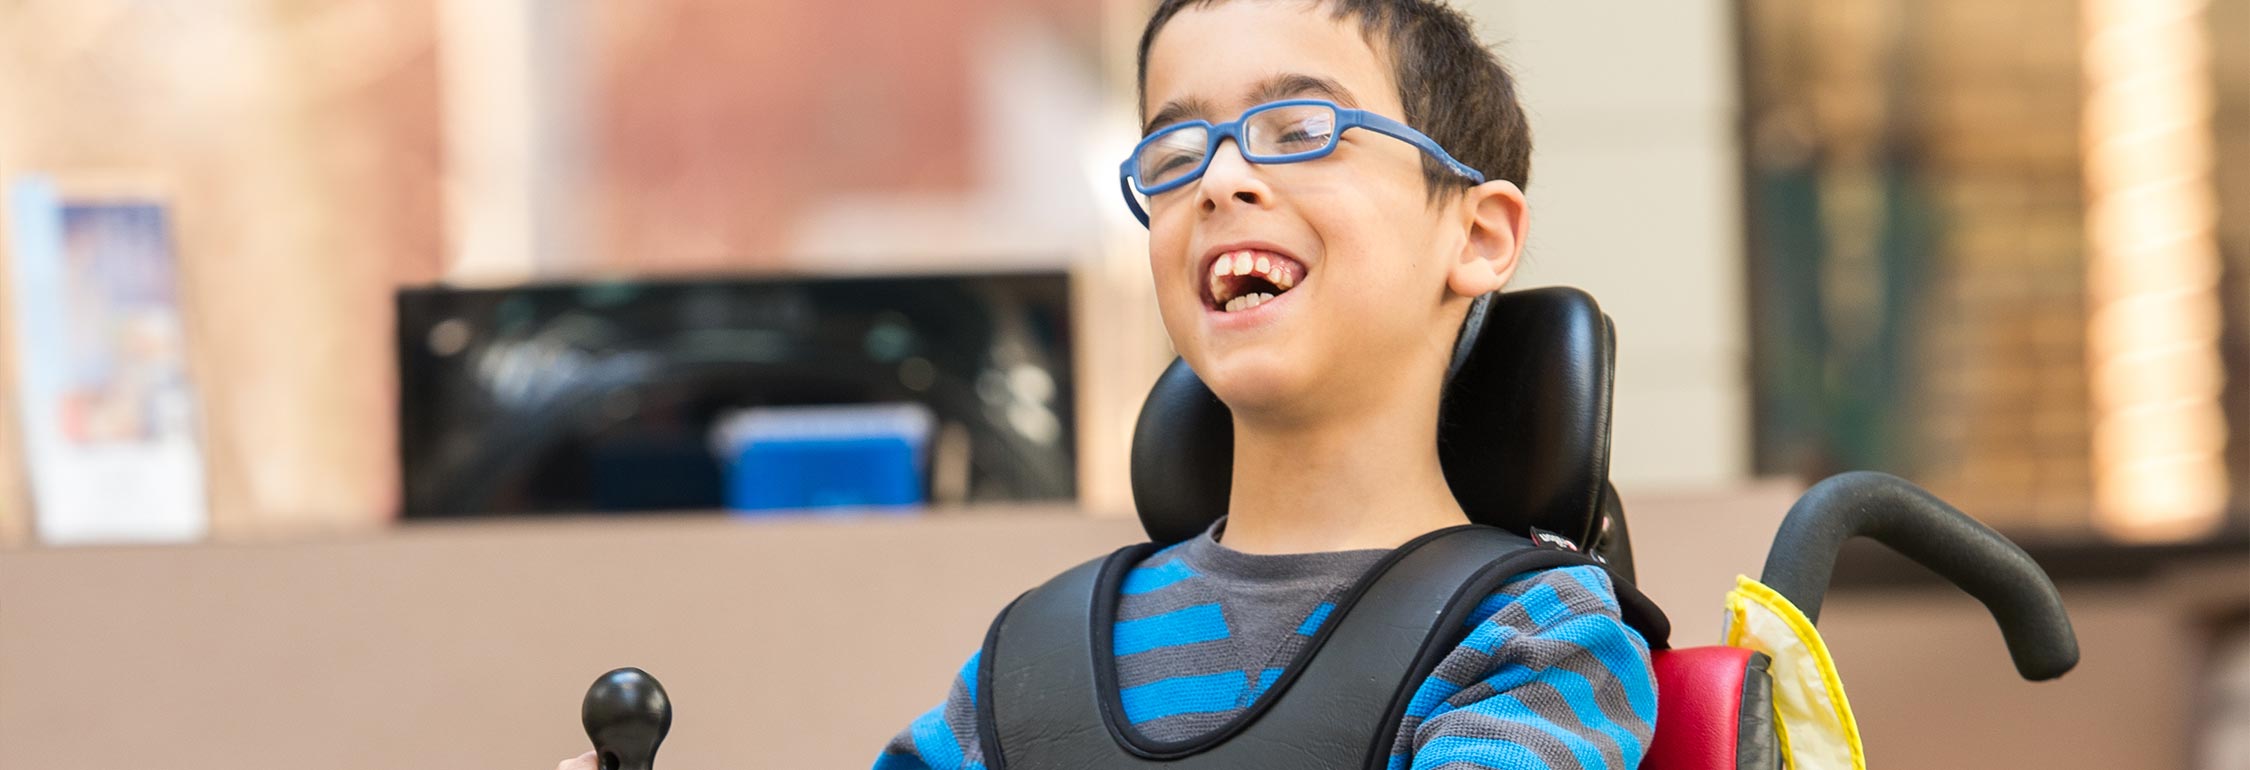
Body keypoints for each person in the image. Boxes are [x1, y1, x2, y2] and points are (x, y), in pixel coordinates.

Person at [557, 1, 1655, 768]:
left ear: (1478, 232)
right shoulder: (1035, 658)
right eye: (1176, 150)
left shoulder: (1535, 641)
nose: (1222, 179)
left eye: (1297, 129)